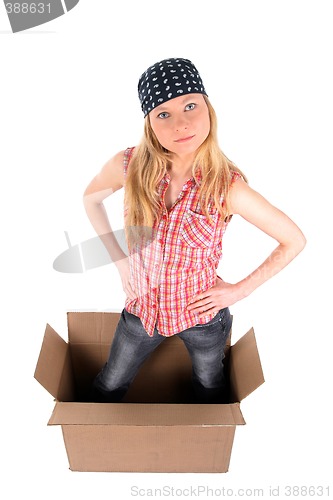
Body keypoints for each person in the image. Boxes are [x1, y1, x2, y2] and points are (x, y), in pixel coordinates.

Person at [83, 57, 306, 403]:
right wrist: (120, 262)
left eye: (190, 106)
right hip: (142, 311)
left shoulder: (226, 187)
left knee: (209, 389)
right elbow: (91, 199)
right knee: (108, 385)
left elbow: (294, 240)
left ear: (208, 109)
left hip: (202, 317)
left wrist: (239, 291)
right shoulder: (128, 166)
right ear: (149, 124)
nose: (181, 124)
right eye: (164, 114)